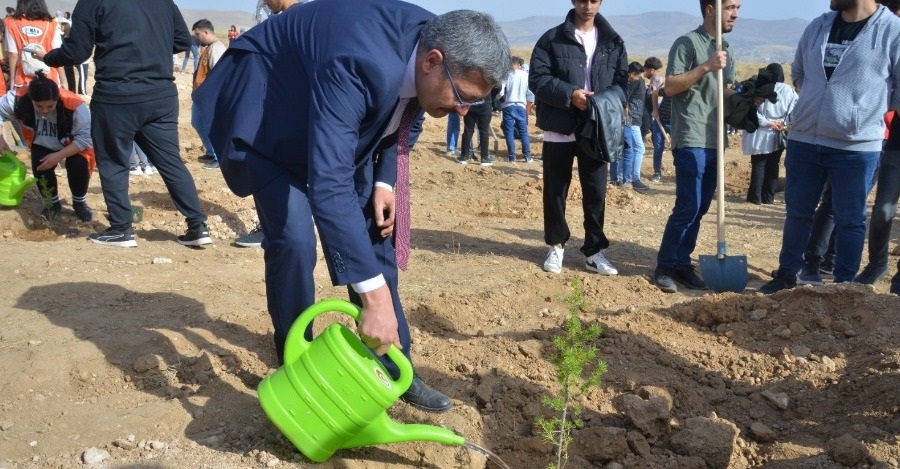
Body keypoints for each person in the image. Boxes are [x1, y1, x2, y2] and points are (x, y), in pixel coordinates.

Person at [193, 1, 510, 412]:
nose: (463, 112)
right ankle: (297, 364)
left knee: (376, 231)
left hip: (341, 120)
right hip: (273, 117)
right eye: (463, 98)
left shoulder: (434, 44)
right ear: (433, 61)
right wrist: (373, 301)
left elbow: (413, 110)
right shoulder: (360, 59)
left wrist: (385, 180)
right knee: (293, 239)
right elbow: (329, 183)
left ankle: (394, 367)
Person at [37, 0, 212, 248]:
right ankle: (198, 226)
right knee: (170, 162)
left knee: (113, 163)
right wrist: (150, 49)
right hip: (161, 95)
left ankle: (121, 229)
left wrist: (48, 57)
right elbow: (183, 41)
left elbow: (77, 52)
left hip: (116, 96)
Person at [760, 0, 900, 294]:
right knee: (798, 213)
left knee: (850, 219)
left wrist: (864, 115)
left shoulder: (893, 31)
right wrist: (816, 105)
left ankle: (845, 289)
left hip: (857, 146)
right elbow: (799, 72)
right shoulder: (818, 26)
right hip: (805, 140)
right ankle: (787, 276)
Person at [529, 0, 627, 276]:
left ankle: (594, 251)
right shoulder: (551, 39)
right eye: (582, 0)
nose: (587, 6)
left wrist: (603, 101)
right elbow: (537, 79)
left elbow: (622, 85)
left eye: (593, 0)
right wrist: (570, 94)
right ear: (573, 1)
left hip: (597, 129)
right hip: (559, 125)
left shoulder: (613, 41)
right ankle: (556, 244)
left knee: (595, 191)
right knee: (555, 190)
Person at [652, 0, 741, 294]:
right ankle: (665, 266)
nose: (735, 13)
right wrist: (706, 66)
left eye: (738, 7)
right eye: (730, 7)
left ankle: (681, 263)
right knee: (688, 204)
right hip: (691, 135)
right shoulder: (687, 43)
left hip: (716, 138)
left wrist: (745, 96)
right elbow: (671, 85)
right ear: (711, 9)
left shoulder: (727, 48)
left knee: (701, 207)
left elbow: (725, 92)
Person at [0, 71, 93, 222]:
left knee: (77, 165)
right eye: (39, 106)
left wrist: (58, 156)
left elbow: (86, 138)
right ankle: (52, 204)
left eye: (50, 106)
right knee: (41, 165)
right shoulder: (17, 98)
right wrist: (1, 137)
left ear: (57, 99)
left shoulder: (74, 105)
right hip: (41, 141)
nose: (44, 110)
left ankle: (79, 203)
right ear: (31, 100)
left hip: (72, 143)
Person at [741, 62, 797, 205]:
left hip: (761, 132)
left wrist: (768, 123)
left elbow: (752, 110)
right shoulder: (789, 91)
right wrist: (784, 124)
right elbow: (794, 110)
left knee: (759, 164)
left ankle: (755, 198)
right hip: (778, 132)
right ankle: (768, 197)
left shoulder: (761, 88)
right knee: (773, 165)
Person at [4, 0, 66, 90]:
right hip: (50, 79)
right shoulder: (52, 24)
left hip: (23, 80)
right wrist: (63, 80)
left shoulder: (11, 23)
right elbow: (57, 53)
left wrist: (12, 79)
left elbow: (13, 54)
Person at [190, 19, 226, 170]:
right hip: (201, 96)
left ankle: (219, 157)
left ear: (206, 32)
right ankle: (211, 152)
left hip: (210, 97)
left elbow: (219, 75)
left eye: (198, 34)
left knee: (212, 126)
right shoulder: (208, 47)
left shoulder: (217, 49)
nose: (196, 38)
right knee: (197, 122)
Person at [499, 56, 533, 163]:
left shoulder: (507, 75)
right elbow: (529, 92)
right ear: (519, 64)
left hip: (508, 105)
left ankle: (512, 156)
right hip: (521, 106)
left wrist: (499, 100)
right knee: (523, 132)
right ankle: (527, 156)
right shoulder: (525, 75)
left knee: (509, 132)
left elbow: (501, 91)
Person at [643, 57, 666, 182]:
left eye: (645, 69)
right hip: (656, 117)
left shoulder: (657, 80)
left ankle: (659, 172)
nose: (644, 72)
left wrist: (655, 110)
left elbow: (654, 97)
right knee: (657, 146)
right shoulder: (653, 80)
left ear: (651, 69)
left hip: (661, 117)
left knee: (661, 146)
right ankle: (657, 172)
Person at [458, 91, 494, 165]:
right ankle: (484, 158)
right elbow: (498, 87)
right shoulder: (488, 79)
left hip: (471, 103)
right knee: (484, 131)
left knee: (468, 130)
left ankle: (464, 156)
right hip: (485, 103)